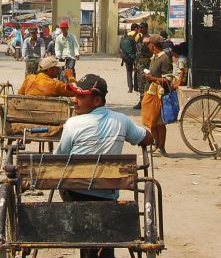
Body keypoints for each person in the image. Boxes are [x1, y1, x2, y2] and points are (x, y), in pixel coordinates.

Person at [55, 74, 153, 258]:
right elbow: (147, 138)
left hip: (75, 193)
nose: (75, 101)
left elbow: (58, 161)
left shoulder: (73, 124)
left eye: (81, 97)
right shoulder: (122, 120)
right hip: (107, 193)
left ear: (97, 99)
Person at [140, 34, 173, 156]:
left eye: (149, 44)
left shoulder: (164, 59)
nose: (148, 46)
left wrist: (152, 78)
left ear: (152, 46)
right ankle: (155, 144)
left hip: (160, 95)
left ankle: (162, 147)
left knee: (160, 123)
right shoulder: (154, 58)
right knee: (152, 122)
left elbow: (168, 79)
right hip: (150, 93)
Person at [132, 22, 151, 109]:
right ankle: (141, 101)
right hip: (139, 65)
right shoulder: (140, 38)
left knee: (144, 84)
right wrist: (136, 64)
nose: (140, 29)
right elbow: (137, 53)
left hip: (146, 65)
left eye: (142, 28)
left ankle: (145, 102)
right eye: (140, 28)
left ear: (146, 28)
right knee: (140, 84)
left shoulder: (148, 39)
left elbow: (150, 52)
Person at [119, 25, 138, 93]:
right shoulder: (132, 38)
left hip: (126, 58)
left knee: (129, 72)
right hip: (134, 57)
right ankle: (136, 87)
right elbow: (135, 49)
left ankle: (130, 88)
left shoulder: (122, 39)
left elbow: (121, 48)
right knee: (136, 71)